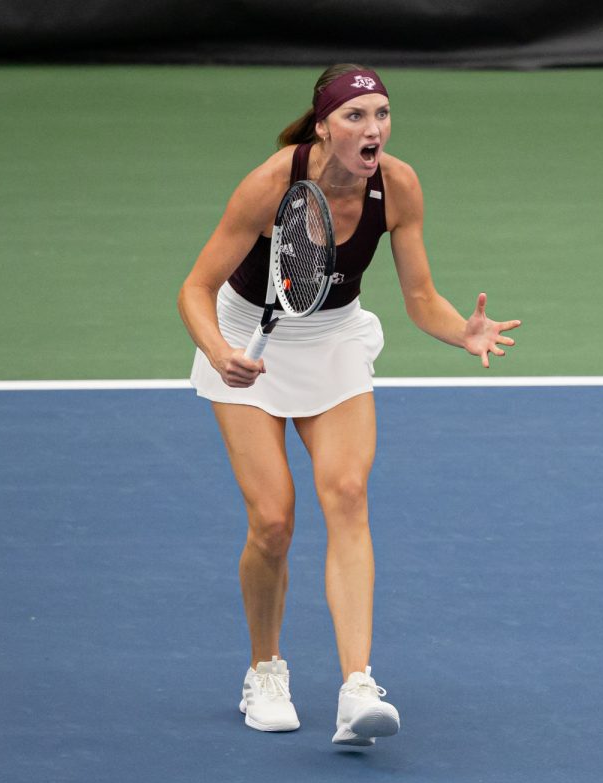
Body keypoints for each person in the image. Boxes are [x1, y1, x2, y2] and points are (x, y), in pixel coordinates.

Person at [177, 64, 520, 746]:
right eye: (358, 118)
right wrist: (219, 351)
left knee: (347, 493)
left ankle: (356, 685)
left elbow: (421, 298)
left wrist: (461, 330)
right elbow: (194, 285)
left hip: (332, 338)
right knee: (274, 521)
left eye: (383, 116)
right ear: (324, 124)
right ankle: (265, 668)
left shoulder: (398, 185)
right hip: (246, 337)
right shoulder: (271, 183)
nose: (374, 130)